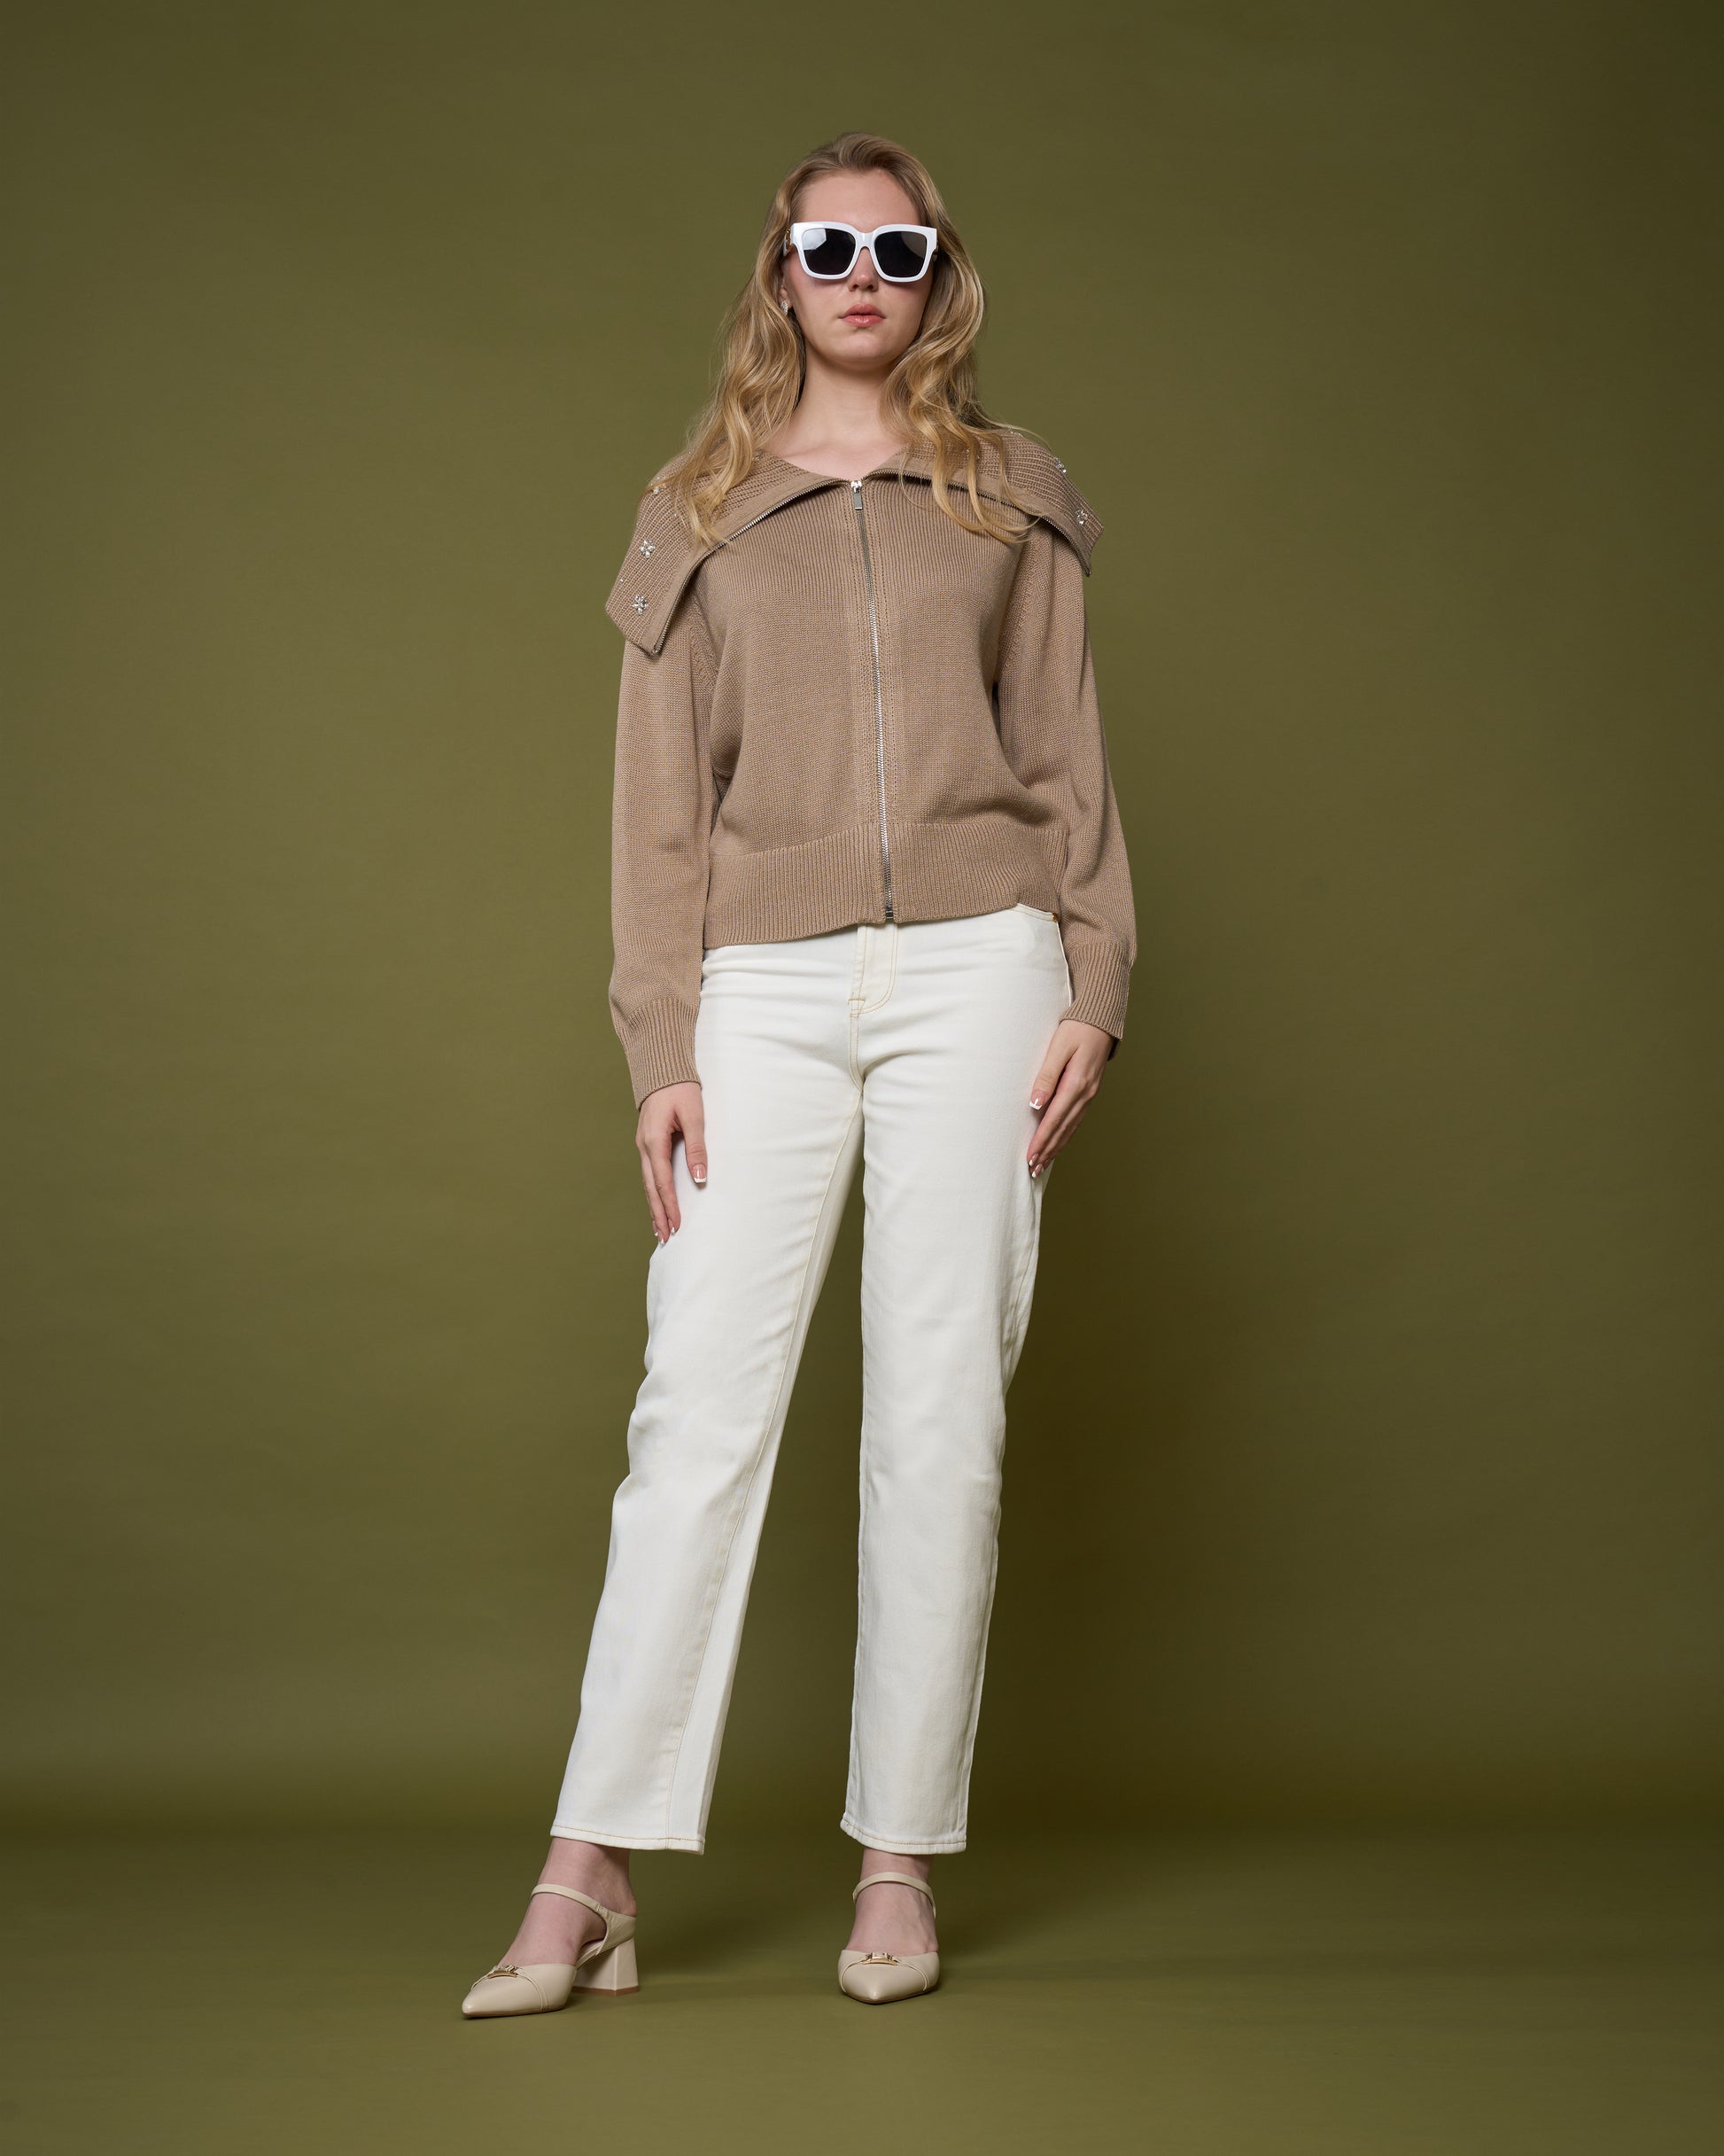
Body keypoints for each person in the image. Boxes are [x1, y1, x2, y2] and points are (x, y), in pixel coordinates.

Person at [462, 129, 1135, 2016]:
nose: (858, 276)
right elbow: (656, 813)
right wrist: (659, 1041)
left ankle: (896, 1857)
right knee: (695, 1412)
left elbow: (1065, 755)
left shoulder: (1009, 497)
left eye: (894, 250)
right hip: (756, 986)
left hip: (981, 974)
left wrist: (1094, 973)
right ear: (779, 274)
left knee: (941, 1414)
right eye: (825, 247)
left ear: (937, 278)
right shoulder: (694, 509)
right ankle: (589, 1863)